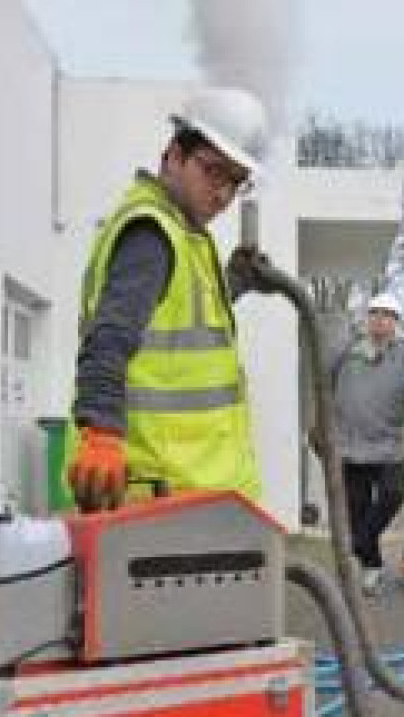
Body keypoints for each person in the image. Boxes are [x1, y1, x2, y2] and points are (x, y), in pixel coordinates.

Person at [66, 87, 271, 512]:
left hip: (199, 498)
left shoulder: (185, 236)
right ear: (173, 155)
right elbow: (110, 337)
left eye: (235, 182)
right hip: (166, 501)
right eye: (213, 172)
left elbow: (173, 326)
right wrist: (100, 432)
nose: (222, 195)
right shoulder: (152, 234)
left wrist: (232, 283)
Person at [332, 293, 404, 593]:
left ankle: (358, 546)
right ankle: (371, 569)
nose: (380, 320)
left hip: (388, 447)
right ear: (366, 318)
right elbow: (321, 381)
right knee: (357, 511)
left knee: (394, 495)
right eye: (375, 313)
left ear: (396, 322)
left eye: (387, 315)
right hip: (350, 448)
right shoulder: (347, 351)